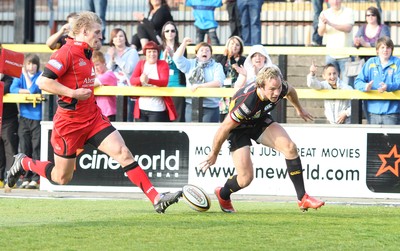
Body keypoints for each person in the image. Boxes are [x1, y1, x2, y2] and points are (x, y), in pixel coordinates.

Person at [6, 11, 182, 213]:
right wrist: (72, 92)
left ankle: (156, 198)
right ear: (84, 31)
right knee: (62, 177)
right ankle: (25, 162)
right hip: (69, 124)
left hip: (92, 117)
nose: (101, 36)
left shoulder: (87, 52)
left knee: (123, 153)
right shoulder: (67, 52)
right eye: (97, 32)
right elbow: (43, 81)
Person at [200, 66, 325, 213]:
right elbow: (224, 128)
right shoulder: (247, 103)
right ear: (261, 86)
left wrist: (299, 108)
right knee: (246, 178)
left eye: (278, 88)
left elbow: (290, 90)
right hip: (238, 129)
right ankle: (223, 194)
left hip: (259, 121)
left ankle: (302, 198)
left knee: (290, 148)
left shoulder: (279, 87)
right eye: (272, 89)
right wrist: (214, 153)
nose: (277, 92)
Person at [9, 54, 42, 189]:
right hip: (23, 117)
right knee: (25, 148)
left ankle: (35, 178)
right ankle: (26, 178)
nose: (31, 67)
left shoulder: (40, 75)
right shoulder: (20, 76)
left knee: (36, 149)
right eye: (28, 64)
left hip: (37, 118)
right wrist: (27, 91)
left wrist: (27, 82)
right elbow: (12, 89)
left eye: (33, 64)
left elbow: (34, 89)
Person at [173, 37, 225, 123]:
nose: (204, 52)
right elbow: (177, 59)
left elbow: (218, 82)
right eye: (202, 50)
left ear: (211, 54)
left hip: (210, 106)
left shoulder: (217, 66)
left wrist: (200, 86)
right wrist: (184, 44)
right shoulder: (190, 64)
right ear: (196, 54)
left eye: (207, 50)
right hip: (191, 104)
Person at [354, 36, 400, 125]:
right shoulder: (370, 62)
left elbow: (399, 82)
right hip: (372, 112)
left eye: (388, 47)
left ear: (392, 50)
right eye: (382, 47)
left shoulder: (397, 63)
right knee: (373, 139)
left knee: (391, 139)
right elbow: (358, 81)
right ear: (377, 50)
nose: (385, 50)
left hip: (392, 112)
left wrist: (388, 86)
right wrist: (365, 86)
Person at [130, 41, 177, 122]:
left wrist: (149, 80)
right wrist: (140, 79)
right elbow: (132, 80)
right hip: (141, 108)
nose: (152, 54)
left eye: (154, 51)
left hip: (157, 108)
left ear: (158, 53)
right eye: (149, 52)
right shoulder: (141, 63)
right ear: (145, 53)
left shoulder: (163, 64)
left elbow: (164, 82)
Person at [105, 28, 139, 122]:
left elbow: (129, 69)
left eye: (121, 36)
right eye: (115, 36)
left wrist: (117, 57)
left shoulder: (132, 52)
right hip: (112, 92)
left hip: (127, 91)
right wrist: (112, 59)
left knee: (127, 119)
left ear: (125, 38)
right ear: (112, 40)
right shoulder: (109, 53)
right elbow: (106, 72)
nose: (118, 38)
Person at [318, 0, 354, 86]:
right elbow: (320, 32)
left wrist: (330, 23)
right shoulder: (324, 13)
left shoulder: (348, 12)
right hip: (331, 54)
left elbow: (348, 28)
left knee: (347, 85)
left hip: (346, 54)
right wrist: (324, 24)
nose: (335, 2)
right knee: (330, 84)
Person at [214, 36, 246, 122]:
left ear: (240, 48)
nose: (234, 46)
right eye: (232, 44)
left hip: (236, 90)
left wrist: (233, 60)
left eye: (237, 45)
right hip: (223, 92)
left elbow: (242, 73)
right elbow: (218, 71)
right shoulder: (220, 58)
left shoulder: (243, 60)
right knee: (222, 117)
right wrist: (226, 56)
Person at [160, 21, 186, 122]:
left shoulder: (181, 47)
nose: (170, 33)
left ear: (176, 33)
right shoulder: (159, 48)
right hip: (163, 85)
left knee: (178, 117)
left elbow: (183, 66)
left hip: (178, 84)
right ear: (163, 33)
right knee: (164, 116)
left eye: (172, 30)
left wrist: (172, 55)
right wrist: (164, 59)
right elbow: (158, 66)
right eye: (167, 31)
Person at [0, 72, 19, 188]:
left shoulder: (9, 78)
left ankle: (11, 179)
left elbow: (5, 89)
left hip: (8, 120)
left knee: (10, 150)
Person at [92, 50, 118, 121]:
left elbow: (90, 84)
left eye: (97, 64)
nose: (95, 68)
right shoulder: (97, 75)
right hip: (98, 113)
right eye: (93, 65)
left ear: (104, 63)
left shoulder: (109, 75)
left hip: (108, 113)